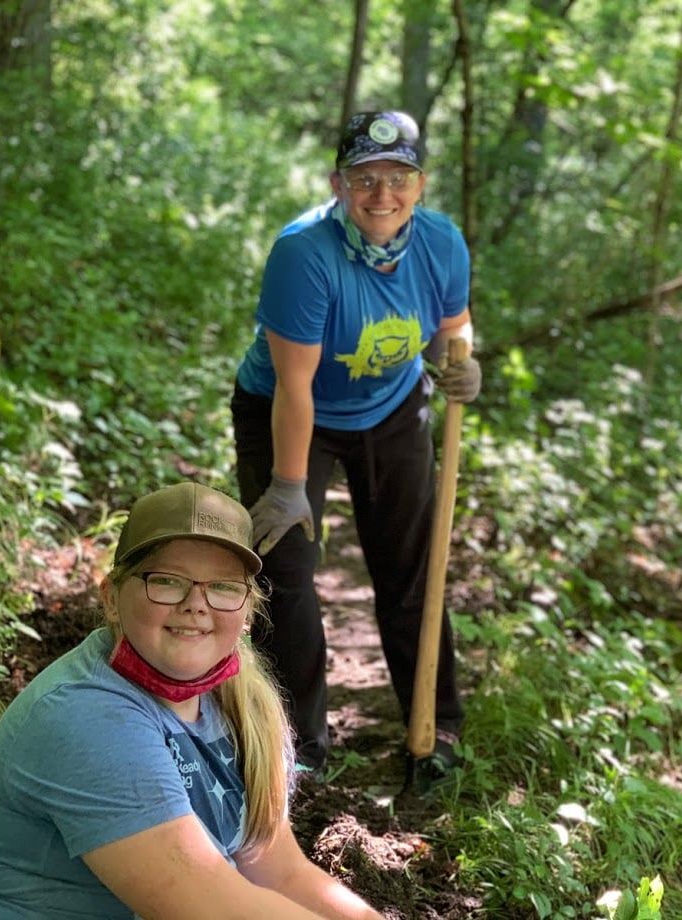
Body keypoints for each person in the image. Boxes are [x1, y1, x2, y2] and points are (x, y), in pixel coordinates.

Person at [0, 482, 384, 920]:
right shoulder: (85, 717)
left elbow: (280, 874)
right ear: (111, 598)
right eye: (167, 581)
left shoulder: (235, 704)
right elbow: (213, 909)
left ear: (248, 609)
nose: (196, 604)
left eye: (223, 587)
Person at [230, 109, 478, 776]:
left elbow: (453, 325)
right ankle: (296, 744)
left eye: (398, 177)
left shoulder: (441, 243)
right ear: (338, 184)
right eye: (365, 178)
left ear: (420, 185)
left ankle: (437, 726)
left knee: (410, 566)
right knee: (284, 569)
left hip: (392, 409)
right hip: (286, 406)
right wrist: (286, 489)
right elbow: (294, 386)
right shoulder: (303, 253)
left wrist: (462, 359)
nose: (382, 194)